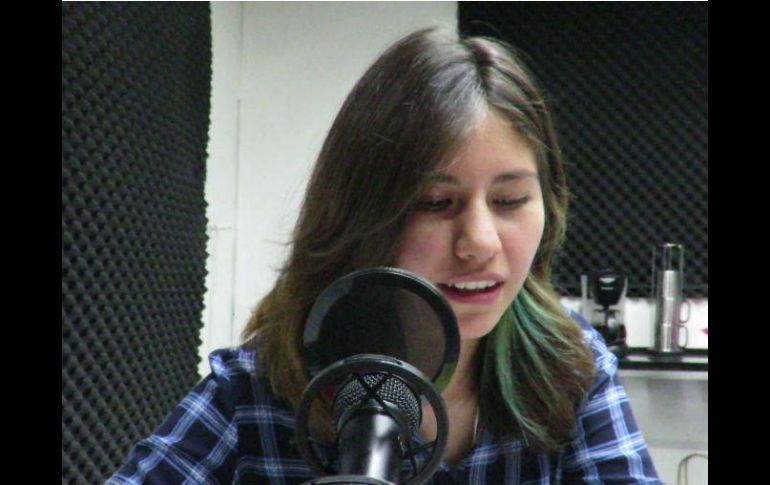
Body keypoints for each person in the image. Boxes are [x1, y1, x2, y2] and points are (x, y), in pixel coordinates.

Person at [108, 27, 662, 484]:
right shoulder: (253, 389)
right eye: (436, 203)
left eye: (510, 200)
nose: (480, 242)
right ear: (361, 213)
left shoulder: (574, 368)